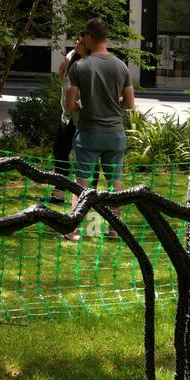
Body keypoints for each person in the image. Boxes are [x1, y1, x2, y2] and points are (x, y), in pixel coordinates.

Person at [61, 18, 135, 242]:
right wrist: (114, 102)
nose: (82, 39)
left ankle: (73, 229)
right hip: (115, 134)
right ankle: (114, 229)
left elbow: (69, 104)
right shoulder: (121, 65)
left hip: (88, 134)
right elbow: (130, 103)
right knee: (115, 182)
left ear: (90, 38)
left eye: (84, 35)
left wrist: (81, 105)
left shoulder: (80, 66)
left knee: (81, 182)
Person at [48, 34, 86, 206]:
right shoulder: (72, 55)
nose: (76, 43)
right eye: (77, 40)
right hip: (67, 117)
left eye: (80, 42)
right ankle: (59, 194)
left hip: (82, 120)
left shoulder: (91, 64)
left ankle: (86, 198)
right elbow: (61, 71)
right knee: (60, 153)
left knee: (85, 160)